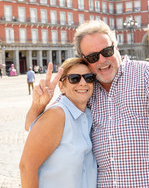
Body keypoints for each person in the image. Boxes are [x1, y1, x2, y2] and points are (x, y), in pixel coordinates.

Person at [25, 20, 149, 187]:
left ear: (116, 47)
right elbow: (32, 126)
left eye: (107, 51)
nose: (102, 60)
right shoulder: (85, 86)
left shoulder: (144, 72)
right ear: (85, 61)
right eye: (92, 57)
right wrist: (39, 105)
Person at [20, 58, 97, 188]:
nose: (83, 83)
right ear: (61, 86)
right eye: (74, 78)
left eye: (89, 77)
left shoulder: (88, 116)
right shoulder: (58, 114)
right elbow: (26, 167)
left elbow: (31, 125)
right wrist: (37, 105)